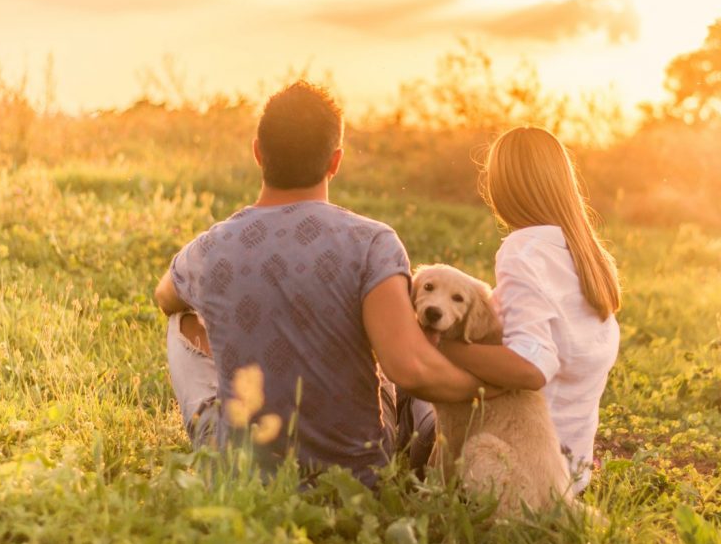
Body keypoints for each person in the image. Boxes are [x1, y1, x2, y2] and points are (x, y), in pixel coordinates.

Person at [153, 81, 483, 487]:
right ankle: (425, 428)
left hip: (246, 474)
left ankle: (230, 439)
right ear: (335, 161)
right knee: (387, 329)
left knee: (181, 318)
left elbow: (164, 296)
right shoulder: (372, 242)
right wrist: (486, 389)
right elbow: (408, 369)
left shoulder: (210, 247)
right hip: (358, 474)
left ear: (258, 153)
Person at [440, 126, 621, 492]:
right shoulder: (589, 256)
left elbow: (531, 366)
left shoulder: (523, 251)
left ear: (500, 188)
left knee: (414, 401)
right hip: (572, 473)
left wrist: (446, 347)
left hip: (526, 470)